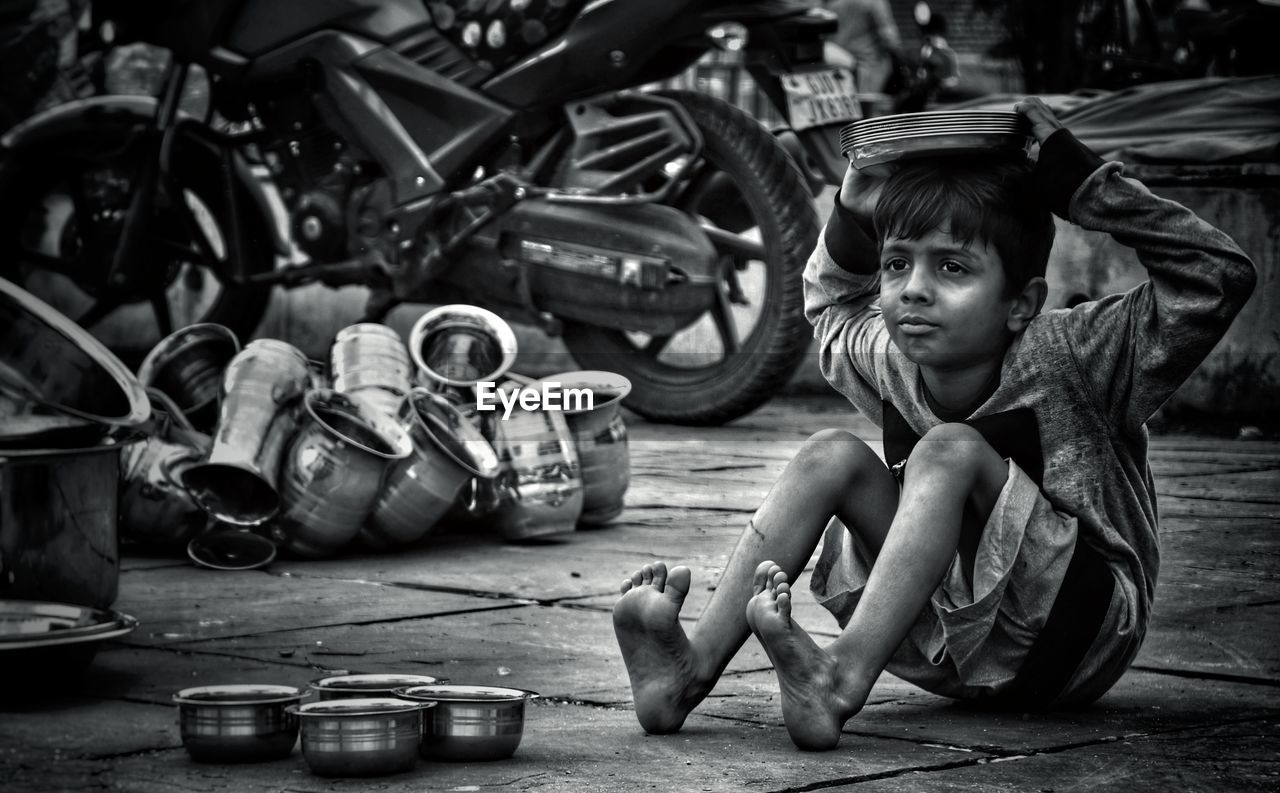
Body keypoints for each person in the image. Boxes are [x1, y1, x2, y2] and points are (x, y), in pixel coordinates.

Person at [611, 97, 1256, 750]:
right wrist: (855, 207)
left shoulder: (1078, 352)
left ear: (1022, 302)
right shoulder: (892, 355)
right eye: (897, 264)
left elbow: (1216, 278)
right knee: (827, 453)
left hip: (1077, 641)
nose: (913, 289)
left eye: (952, 267)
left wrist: (1084, 184)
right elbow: (831, 302)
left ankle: (838, 678)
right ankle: (684, 673)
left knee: (948, 449)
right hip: (944, 647)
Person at [823, 0, 902, 96]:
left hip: (839, 65)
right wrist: (901, 58)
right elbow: (889, 38)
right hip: (868, 68)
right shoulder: (876, 2)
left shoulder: (832, 3)